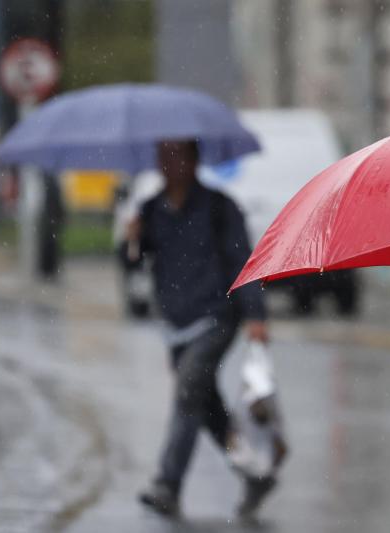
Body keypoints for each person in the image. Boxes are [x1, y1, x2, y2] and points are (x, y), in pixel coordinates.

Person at [123, 139, 278, 518]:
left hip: (216, 316)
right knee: (205, 408)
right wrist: (131, 240)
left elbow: (245, 262)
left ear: (192, 160)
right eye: (160, 154)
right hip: (176, 323)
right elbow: (133, 265)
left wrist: (256, 315)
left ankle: (168, 484)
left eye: (173, 154)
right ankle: (254, 471)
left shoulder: (219, 207)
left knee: (189, 387)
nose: (165, 162)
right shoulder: (151, 209)